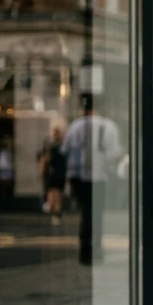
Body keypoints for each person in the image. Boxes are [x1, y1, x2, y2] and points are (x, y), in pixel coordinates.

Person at [62, 95, 123, 265]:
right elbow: (114, 154)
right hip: (99, 176)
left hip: (79, 176)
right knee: (96, 215)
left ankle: (85, 250)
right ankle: (95, 250)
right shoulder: (108, 126)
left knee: (85, 214)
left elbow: (65, 149)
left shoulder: (75, 126)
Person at [40, 127, 67, 226]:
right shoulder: (63, 146)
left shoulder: (49, 145)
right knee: (58, 193)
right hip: (60, 171)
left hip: (52, 171)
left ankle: (53, 210)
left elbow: (45, 159)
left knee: (52, 192)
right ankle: (56, 212)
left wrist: (42, 170)